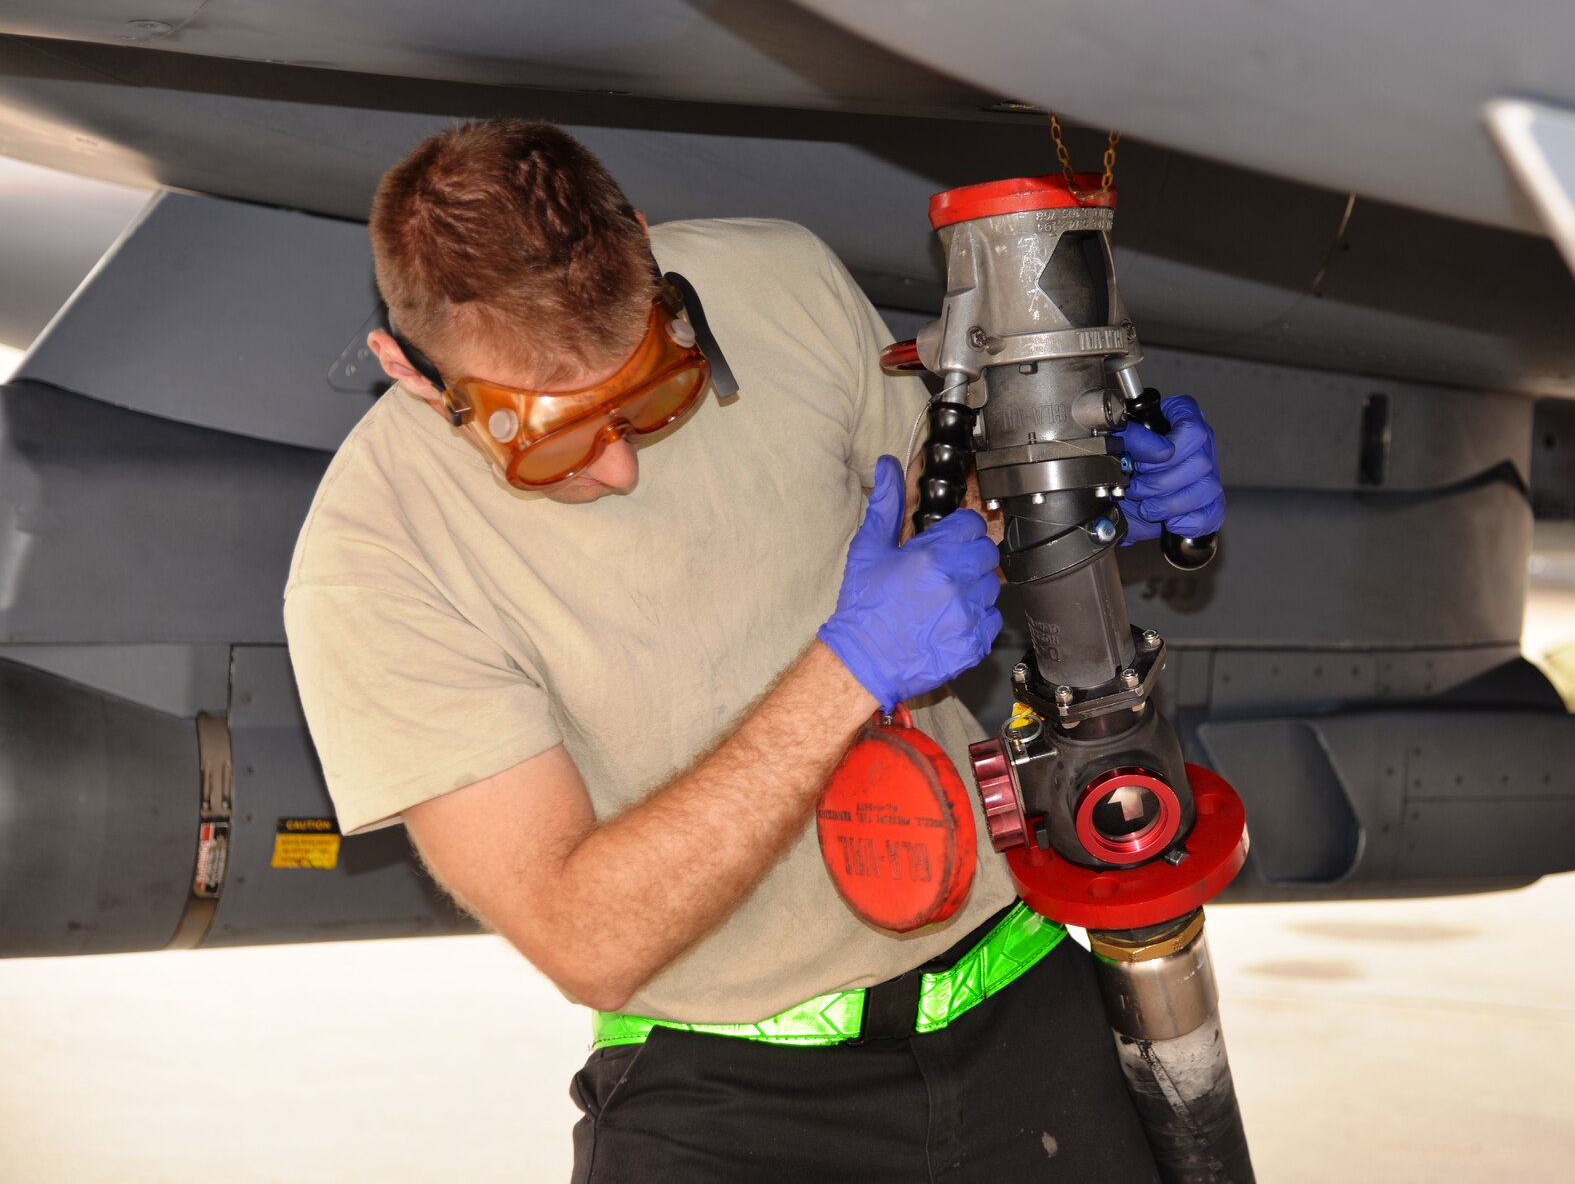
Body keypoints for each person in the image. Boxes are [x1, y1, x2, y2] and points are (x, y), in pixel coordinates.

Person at [283, 120, 1228, 1183]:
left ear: (648, 254)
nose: (618, 467)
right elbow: (582, 936)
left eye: (647, 392)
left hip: (1017, 1002)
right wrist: (848, 674)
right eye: (546, 439)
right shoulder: (375, 559)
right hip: (726, 1098)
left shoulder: (771, 277)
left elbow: (944, 509)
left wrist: (1071, 498)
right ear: (406, 369)